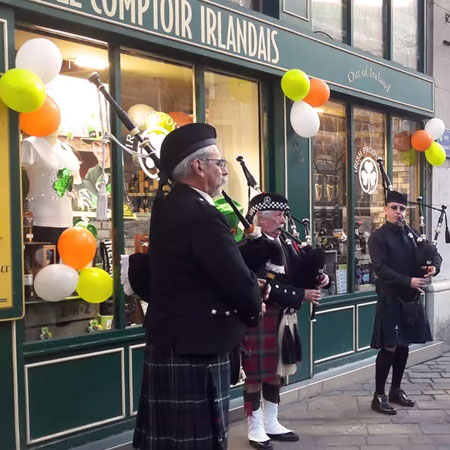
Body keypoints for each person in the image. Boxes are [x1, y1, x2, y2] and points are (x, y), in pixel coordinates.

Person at [132, 123, 264, 450]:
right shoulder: (201, 212)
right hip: (196, 345)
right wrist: (254, 302)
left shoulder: (169, 205)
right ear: (198, 167)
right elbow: (233, 276)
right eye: (219, 163)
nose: (224, 171)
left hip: (174, 339)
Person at [239, 193, 329, 450]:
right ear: (260, 218)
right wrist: (301, 294)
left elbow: (297, 273)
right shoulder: (249, 249)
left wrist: (319, 279)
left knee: (275, 371)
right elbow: (259, 285)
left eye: (283, 216)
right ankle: (255, 427)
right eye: (278, 216)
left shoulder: (286, 243)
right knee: (256, 374)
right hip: (261, 315)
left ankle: (271, 422)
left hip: (284, 316)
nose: (283, 221)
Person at [369, 190, 442, 415]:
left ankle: (395, 390)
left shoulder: (412, 234)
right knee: (390, 345)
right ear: (385, 210)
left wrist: (434, 267)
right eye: (394, 208)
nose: (398, 212)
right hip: (391, 296)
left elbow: (433, 253)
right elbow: (380, 268)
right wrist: (408, 280)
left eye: (402, 208)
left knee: (404, 344)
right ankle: (378, 395)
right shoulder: (378, 237)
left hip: (410, 299)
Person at [21, 130, 81, 244]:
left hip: (65, 218)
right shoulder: (30, 145)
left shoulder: (66, 149)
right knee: (40, 254)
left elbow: (71, 180)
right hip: (40, 219)